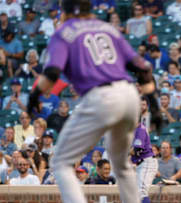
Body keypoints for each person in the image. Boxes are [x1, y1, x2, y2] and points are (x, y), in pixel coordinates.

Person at [27, 0, 155, 201]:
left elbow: (52, 72)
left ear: (66, 11)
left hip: (101, 96)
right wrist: (153, 103)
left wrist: (33, 96)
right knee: (121, 164)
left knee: (60, 161)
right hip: (130, 94)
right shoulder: (107, 29)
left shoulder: (64, 32)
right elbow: (143, 68)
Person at [130, 123, 158, 203]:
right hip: (140, 164)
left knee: (141, 191)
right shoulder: (131, 130)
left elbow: (137, 151)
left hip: (147, 163)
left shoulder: (140, 129)